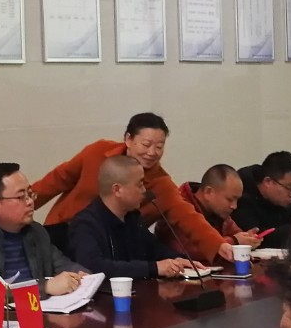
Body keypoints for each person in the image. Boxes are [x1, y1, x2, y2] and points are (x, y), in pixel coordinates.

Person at [34, 112, 237, 263]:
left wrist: (218, 244)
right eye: (146, 144)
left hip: (110, 249)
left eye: (159, 147)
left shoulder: (161, 184)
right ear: (128, 139)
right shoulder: (97, 152)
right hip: (64, 231)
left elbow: (188, 217)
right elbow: (56, 180)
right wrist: (22, 207)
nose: (152, 152)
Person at [0, 162, 88, 292]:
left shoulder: (36, 231)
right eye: (21, 197)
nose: (30, 201)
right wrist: (44, 287)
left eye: (30, 194)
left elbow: (63, 265)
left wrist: (84, 277)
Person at [67, 156, 196, 279]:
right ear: (117, 190)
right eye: (139, 184)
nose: (144, 190)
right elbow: (94, 268)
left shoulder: (131, 218)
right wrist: (153, 268)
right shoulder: (85, 224)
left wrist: (177, 260)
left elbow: (154, 248)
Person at [157, 163, 263, 254]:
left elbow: (235, 233)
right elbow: (186, 250)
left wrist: (248, 239)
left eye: (237, 200)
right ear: (208, 192)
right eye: (230, 199)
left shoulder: (219, 212)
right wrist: (235, 241)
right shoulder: (178, 206)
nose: (234, 206)